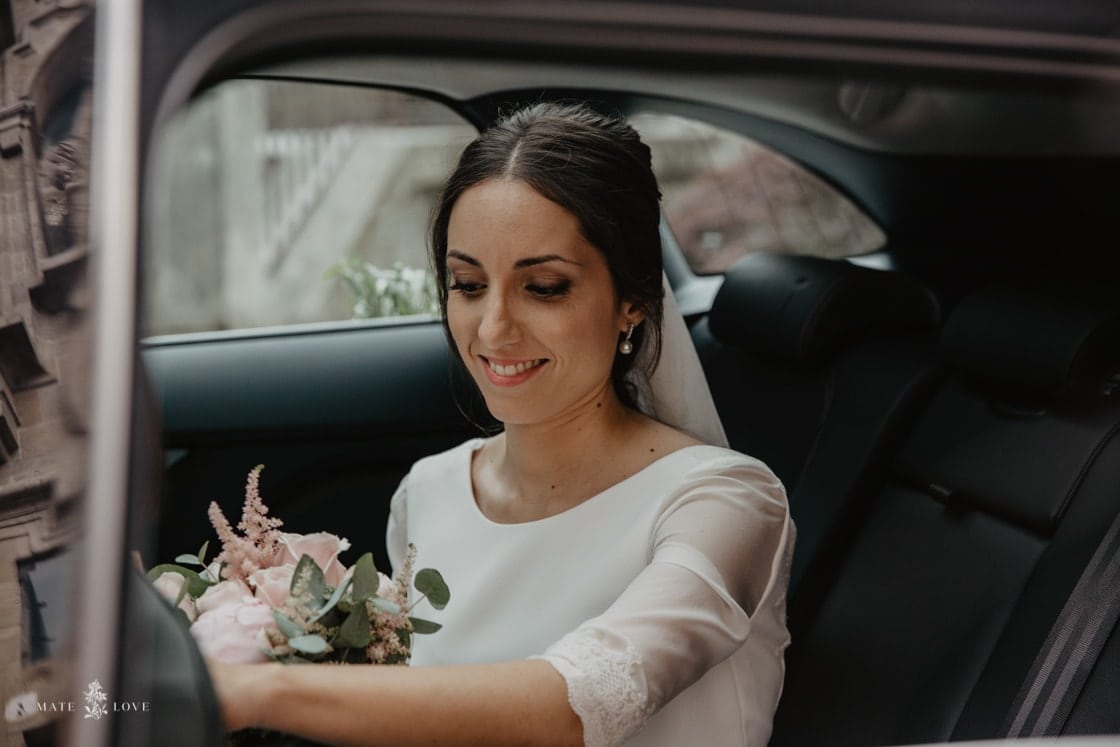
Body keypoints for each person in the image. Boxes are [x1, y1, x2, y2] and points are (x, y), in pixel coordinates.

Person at [209, 102, 794, 747]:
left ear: (632, 302)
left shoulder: (726, 501)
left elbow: (577, 704)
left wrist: (254, 688)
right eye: (466, 284)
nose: (492, 330)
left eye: (543, 287)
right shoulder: (427, 491)